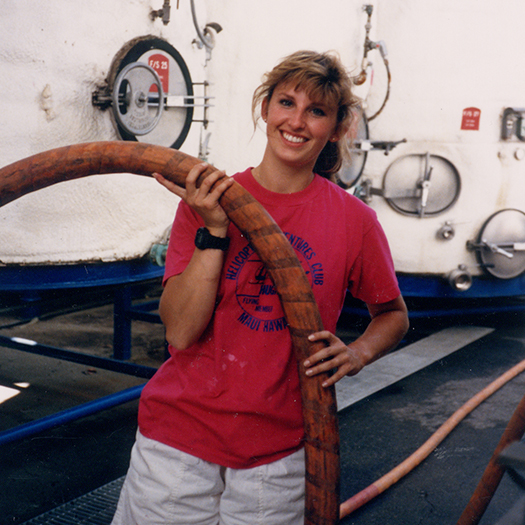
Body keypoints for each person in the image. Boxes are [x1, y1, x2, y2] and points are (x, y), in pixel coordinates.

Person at [111, 50, 409, 525]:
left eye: (316, 111)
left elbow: (393, 314)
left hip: (281, 454)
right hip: (176, 446)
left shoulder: (356, 222)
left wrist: (356, 355)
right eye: (286, 102)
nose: (296, 121)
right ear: (265, 108)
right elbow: (181, 333)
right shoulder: (207, 200)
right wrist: (213, 229)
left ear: (335, 128)